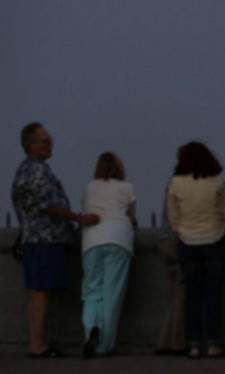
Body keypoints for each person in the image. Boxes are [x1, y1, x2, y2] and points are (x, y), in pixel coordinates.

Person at [11, 122, 99, 358]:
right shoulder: (38, 171)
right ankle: (38, 344)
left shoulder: (23, 169)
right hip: (45, 240)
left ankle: (37, 342)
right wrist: (79, 219)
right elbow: (51, 207)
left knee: (37, 292)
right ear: (30, 145)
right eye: (45, 141)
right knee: (41, 292)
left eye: (51, 140)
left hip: (33, 239)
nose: (51, 145)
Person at [167, 141, 225, 358]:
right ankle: (213, 344)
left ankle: (194, 345)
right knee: (213, 295)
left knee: (192, 296)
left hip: (188, 242)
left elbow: (173, 217)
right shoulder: (218, 181)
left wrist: (182, 232)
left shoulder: (176, 183)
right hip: (214, 240)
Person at [80, 152, 138, 358]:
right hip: (118, 239)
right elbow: (132, 219)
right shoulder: (127, 188)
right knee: (112, 294)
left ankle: (90, 330)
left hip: (92, 241)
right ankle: (104, 346)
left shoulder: (88, 188)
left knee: (92, 290)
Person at [154, 187, 187, 356]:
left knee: (179, 292)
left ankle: (164, 342)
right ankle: (176, 343)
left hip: (164, 241)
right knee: (182, 292)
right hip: (177, 242)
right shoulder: (187, 182)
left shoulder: (173, 181)